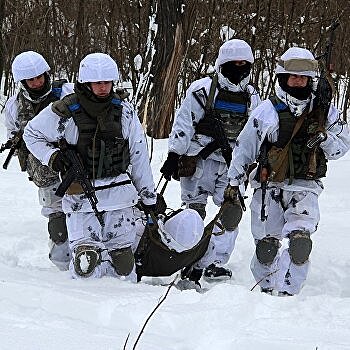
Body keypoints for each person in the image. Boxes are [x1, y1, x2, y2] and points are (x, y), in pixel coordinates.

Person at [226, 47, 350, 296]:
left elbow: (341, 148)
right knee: (266, 248)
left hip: (305, 188)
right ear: (283, 78)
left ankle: (288, 293)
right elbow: (244, 149)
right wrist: (234, 183)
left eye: (303, 78)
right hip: (268, 186)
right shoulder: (266, 111)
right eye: (293, 77)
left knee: (300, 244)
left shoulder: (325, 112)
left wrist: (323, 138)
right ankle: (265, 289)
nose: (298, 82)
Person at [23, 52, 157, 280]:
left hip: (119, 195)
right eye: (98, 83)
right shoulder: (64, 111)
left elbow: (138, 154)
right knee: (86, 263)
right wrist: (53, 157)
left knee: (124, 262)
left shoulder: (124, 111)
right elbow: (32, 134)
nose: (103, 88)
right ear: (86, 83)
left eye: (107, 82)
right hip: (80, 198)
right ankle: (87, 310)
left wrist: (149, 197)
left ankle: (128, 308)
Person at [160, 39, 261, 280]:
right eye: (234, 63)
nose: (239, 68)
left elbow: (256, 132)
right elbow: (184, 124)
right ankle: (189, 257)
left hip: (231, 165)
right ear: (223, 63)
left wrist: (256, 162)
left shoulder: (251, 95)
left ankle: (214, 262)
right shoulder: (203, 89)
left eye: (243, 64)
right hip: (198, 162)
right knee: (194, 213)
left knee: (231, 213)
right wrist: (174, 154)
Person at [3, 51, 74, 270]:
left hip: (74, 164)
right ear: (22, 82)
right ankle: (62, 261)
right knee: (56, 217)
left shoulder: (66, 93)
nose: (37, 83)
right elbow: (13, 134)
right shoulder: (15, 106)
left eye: (40, 77)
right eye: (31, 80)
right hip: (44, 172)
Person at [132, 205, 217, 286]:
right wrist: (197, 272)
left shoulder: (144, 235)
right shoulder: (200, 247)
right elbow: (209, 254)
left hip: (144, 266)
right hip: (178, 262)